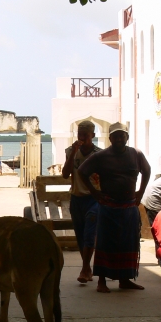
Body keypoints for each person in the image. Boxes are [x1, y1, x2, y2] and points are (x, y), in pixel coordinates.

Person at [78, 122, 151, 293]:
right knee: (105, 244)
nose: (119, 139)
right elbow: (82, 171)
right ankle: (101, 281)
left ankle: (125, 279)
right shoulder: (101, 156)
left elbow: (147, 171)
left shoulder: (136, 154)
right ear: (110, 138)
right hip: (108, 206)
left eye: (122, 136)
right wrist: (94, 192)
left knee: (129, 244)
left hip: (129, 207)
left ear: (127, 137)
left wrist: (141, 192)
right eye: (115, 136)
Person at [62, 121, 101, 283]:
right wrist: (73, 153)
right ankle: (87, 267)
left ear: (93, 135)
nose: (82, 137)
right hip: (76, 198)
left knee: (89, 234)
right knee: (80, 235)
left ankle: (85, 268)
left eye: (86, 134)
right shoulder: (70, 151)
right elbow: (65, 174)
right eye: (80, 134)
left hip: (93, 198)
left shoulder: (99, 154)